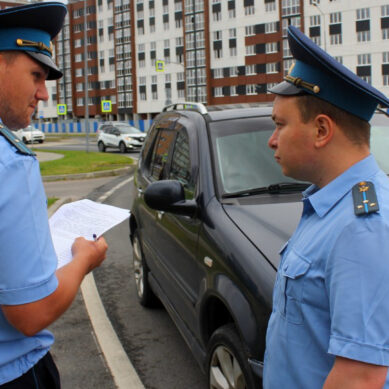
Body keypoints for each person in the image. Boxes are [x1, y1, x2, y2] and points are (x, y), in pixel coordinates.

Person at [263, 25, 389, 388]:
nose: (272, 141)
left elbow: (359, 379)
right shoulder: (331, 205)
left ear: (321, 130)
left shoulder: (364, 226)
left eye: (280, 125)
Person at [0, 3, 108, 388]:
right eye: (36, 75)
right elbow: (30, 313)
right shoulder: (10, 162)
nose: (43, 94)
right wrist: (83, 259)